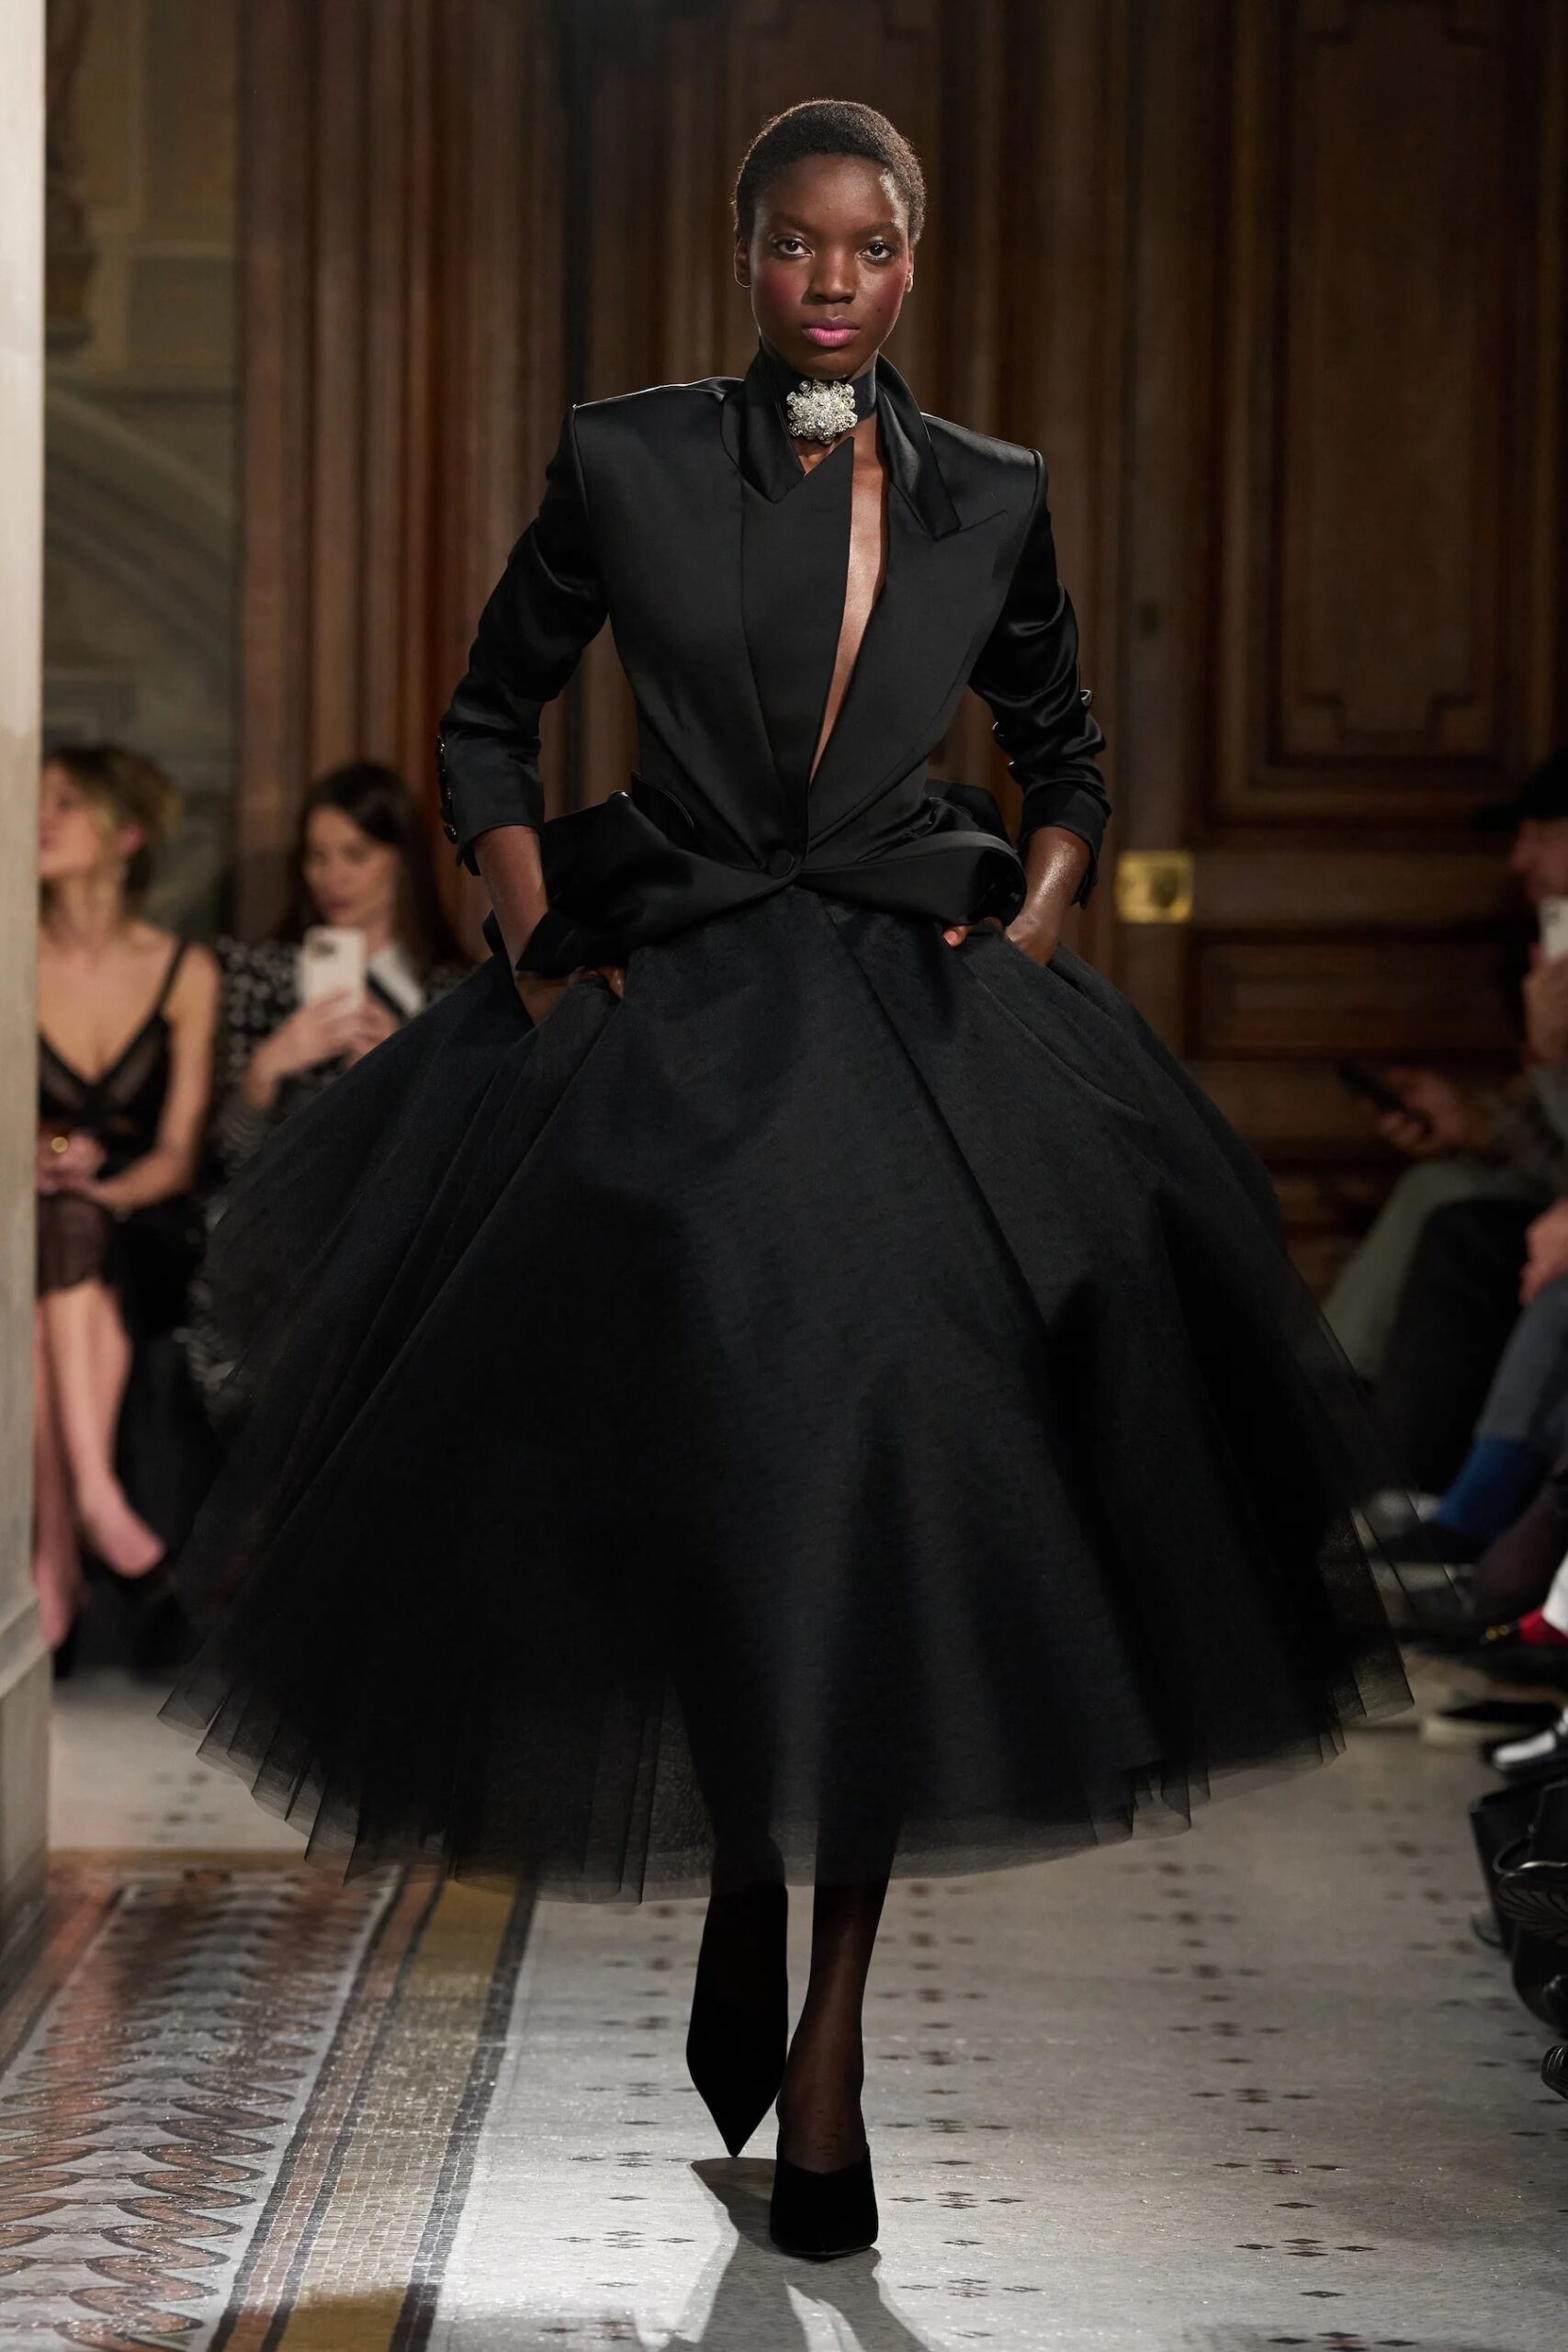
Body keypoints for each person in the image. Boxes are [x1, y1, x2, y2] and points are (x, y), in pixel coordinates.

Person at [163, 102, 1415, 2261]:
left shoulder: (992, 487)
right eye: (794, 245)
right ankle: (751, 1861)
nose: (832, 282)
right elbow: (486, 719)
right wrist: (534, 946)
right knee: (718, 1484)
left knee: (895, 1499)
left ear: (910, 262)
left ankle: (822, 2042)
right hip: (667, 1009)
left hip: (919, 1022)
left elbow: (1062, 749)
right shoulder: (629, 454)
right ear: (745, 256)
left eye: (869, 246)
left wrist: (1031, 928)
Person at [185, 761, 469, 1420]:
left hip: (398, 1222)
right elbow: (229, 1157)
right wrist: (266, 1068)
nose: (331, 876)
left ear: (400, 860)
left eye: (354, 855)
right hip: (281, 1222)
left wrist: (402, 1064)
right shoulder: (260, 976)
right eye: (317, 857)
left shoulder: (451, 993)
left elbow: (461, 1151)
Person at [35, 745, 218, 1651]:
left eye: (66, 802)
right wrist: (44, 1156)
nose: (39, 818)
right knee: (54, 1234)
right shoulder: (9, 955)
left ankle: (56, 1560)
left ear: (127, 835)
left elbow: (177, 1158)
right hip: (36, 1222)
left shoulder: (186, 971)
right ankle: (90, 1518)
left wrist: (103, 1188)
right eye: (34, 800)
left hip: (147, 1227)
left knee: (69, 1233)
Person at [1325, 750, 1568, 1387]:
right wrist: (1474, 1121)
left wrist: (1550, 1057)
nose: (1519, 860)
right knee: (1438, 1184)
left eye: (1543, 836)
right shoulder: (1545, 952)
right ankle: (1318, 1395)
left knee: (1460, 1224)